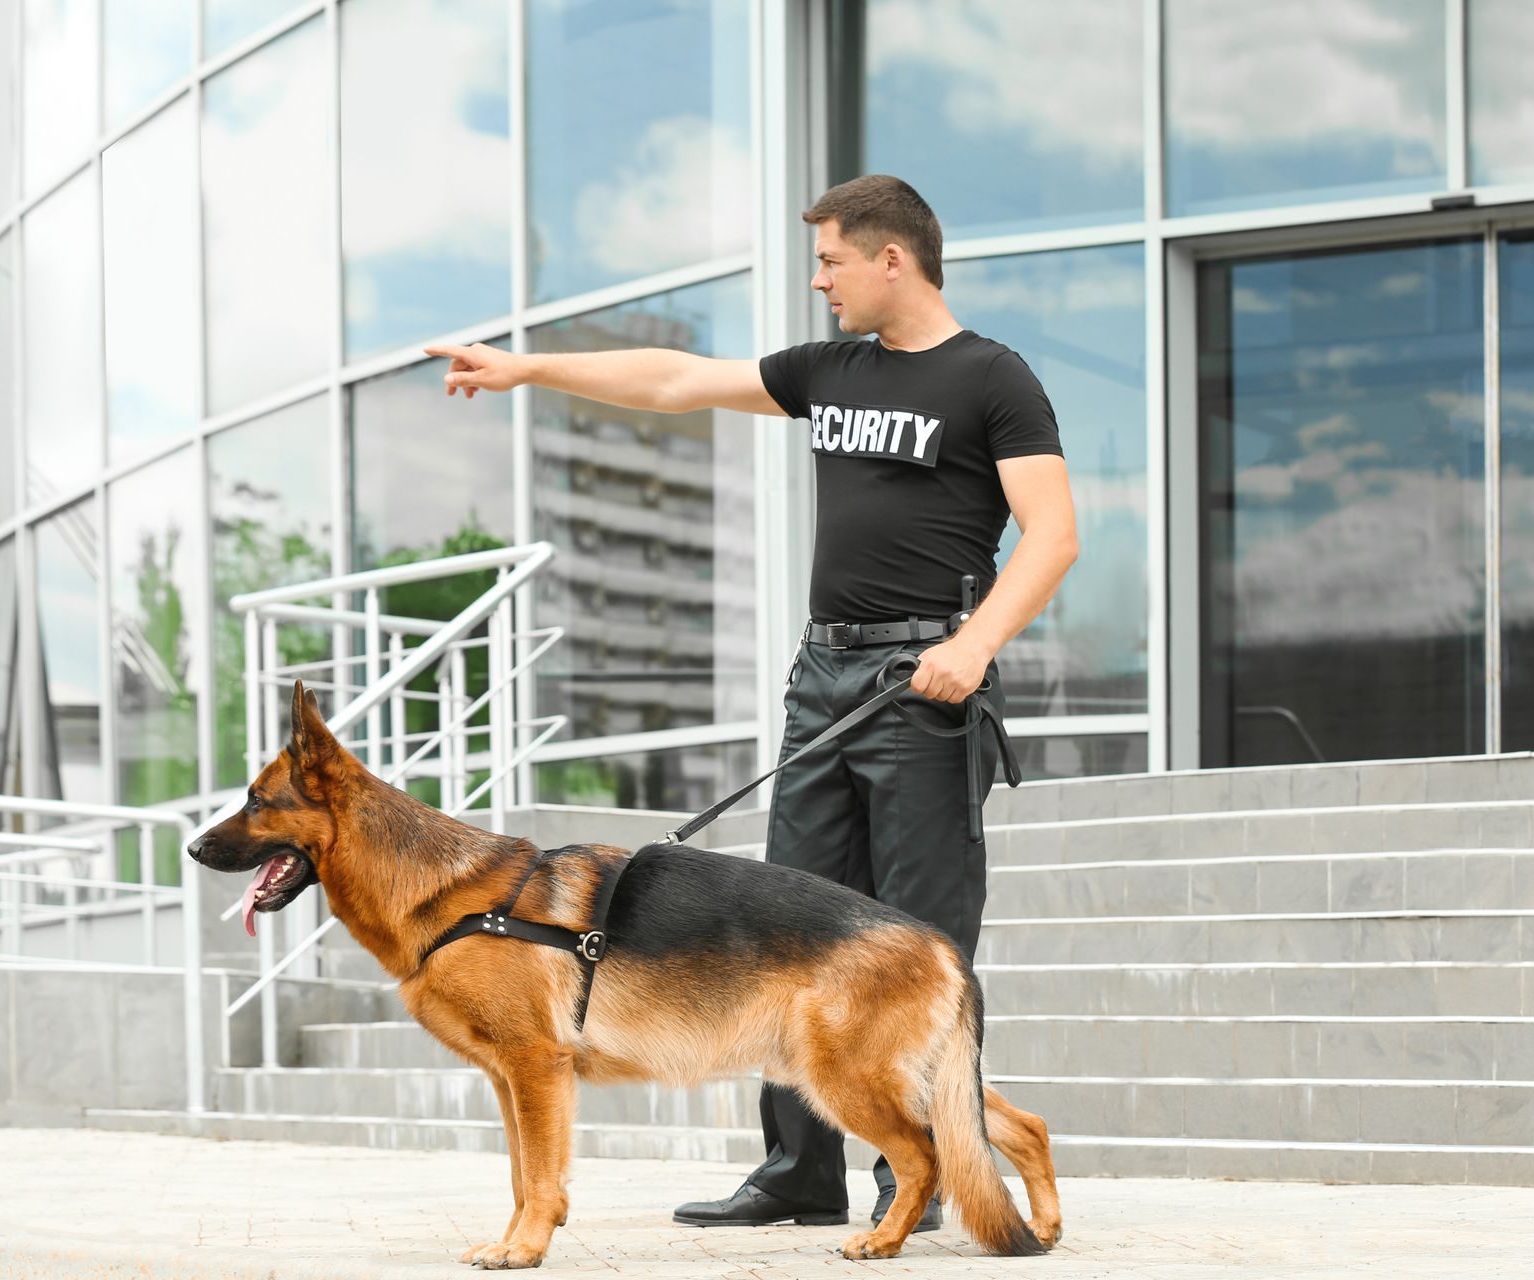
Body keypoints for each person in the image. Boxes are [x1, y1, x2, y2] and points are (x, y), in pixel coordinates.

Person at [425, 173, 1078, 1233]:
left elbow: (1052, 533)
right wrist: (529, 366)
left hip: (925, 685)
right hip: (824, 678)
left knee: (919, 932)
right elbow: (677, 379)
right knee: (777, 924)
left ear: (890, 259)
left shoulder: (992, 379)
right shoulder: (831, 370)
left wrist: (976, 642)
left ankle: (903, 1166)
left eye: (829, 261)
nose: (818, 282)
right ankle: (796, 1169)